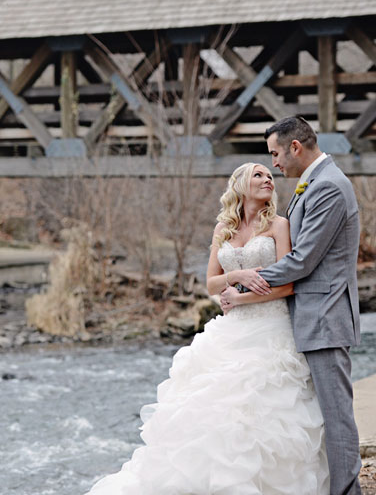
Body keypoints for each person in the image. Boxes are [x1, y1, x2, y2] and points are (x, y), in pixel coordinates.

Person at [85, 162, 330, 495]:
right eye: (258, 174)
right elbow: (212, 283)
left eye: (269, 175)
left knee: (260, 411)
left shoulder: (278, 225)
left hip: (271, 328)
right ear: (240, 185)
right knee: (213, 410)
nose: (267, 179)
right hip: (231, 333)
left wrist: (241, 299)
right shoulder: (223, 229)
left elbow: (289, 286)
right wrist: (238, 277)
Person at [222, 116, 362, 495]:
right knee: (318, 416)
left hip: (325, 317)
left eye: (276, 154)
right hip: (308, 319)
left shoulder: (329, 187)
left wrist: (251, 281)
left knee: (336, 418)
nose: (275, 164)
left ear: (295, 147)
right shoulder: (313, 184)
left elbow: (302, 260)